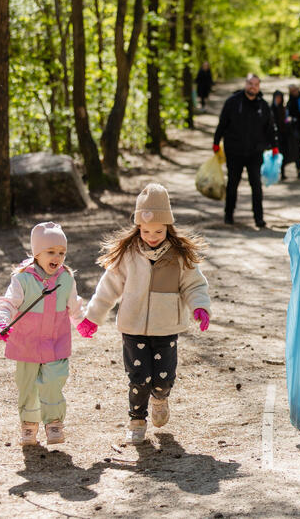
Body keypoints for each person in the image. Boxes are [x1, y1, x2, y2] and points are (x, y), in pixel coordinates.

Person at [78, 184, 211, 444]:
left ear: (168, 228)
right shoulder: (128, 255)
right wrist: (92, 317)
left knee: (163, 379)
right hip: (132, 327)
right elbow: (108, 288)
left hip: (165, 327)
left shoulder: (179, 256)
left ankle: (160, 399)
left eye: (158, 231)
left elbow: (194, 285)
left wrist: (200, 307)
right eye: (146, 230)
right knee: (139, 377)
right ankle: (136, 419)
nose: (152, 236)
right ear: (138, 227)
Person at [0, 222, 89, 446]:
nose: (57, 257)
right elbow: (6, 304)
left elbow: (73, 304)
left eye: (62, 252)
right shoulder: (22, 279)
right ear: (37, 253)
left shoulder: (66, 278)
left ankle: (54, 423)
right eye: (51, 252)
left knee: (53, 381)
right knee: (27, 385)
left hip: (56, 341)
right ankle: (28, 425)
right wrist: (1, 323)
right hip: (26, 343)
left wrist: (82, 322)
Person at [213, 73, 280, 227]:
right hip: (234, 151)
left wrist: (274, 146)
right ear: (245, 84)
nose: (252, 87)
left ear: (259, 87)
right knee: (233, 184)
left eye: (256, 85)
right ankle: (228, 215)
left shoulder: (263, 106)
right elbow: (222, 123)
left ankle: (259, 218)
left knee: (256, 185)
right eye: (250, 83)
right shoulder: (232, 102)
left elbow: (270, 128)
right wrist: (216, 142)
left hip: (255, 152)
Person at [285, 85, 300, 176]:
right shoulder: (290, 102)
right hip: (296, 128)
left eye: (295, 90)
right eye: (292, 91)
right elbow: (287, 116)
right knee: (298, 149)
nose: (294, 92)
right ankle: (299, 169)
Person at [269, 90, 290, 181]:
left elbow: (286, 120)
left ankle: (282, 172)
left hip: (283, 134)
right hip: (273, 135)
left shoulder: (284, 109)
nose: (278, 100)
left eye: (279, 98)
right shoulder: (270, 109)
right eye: (276, 98)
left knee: (283, 154)